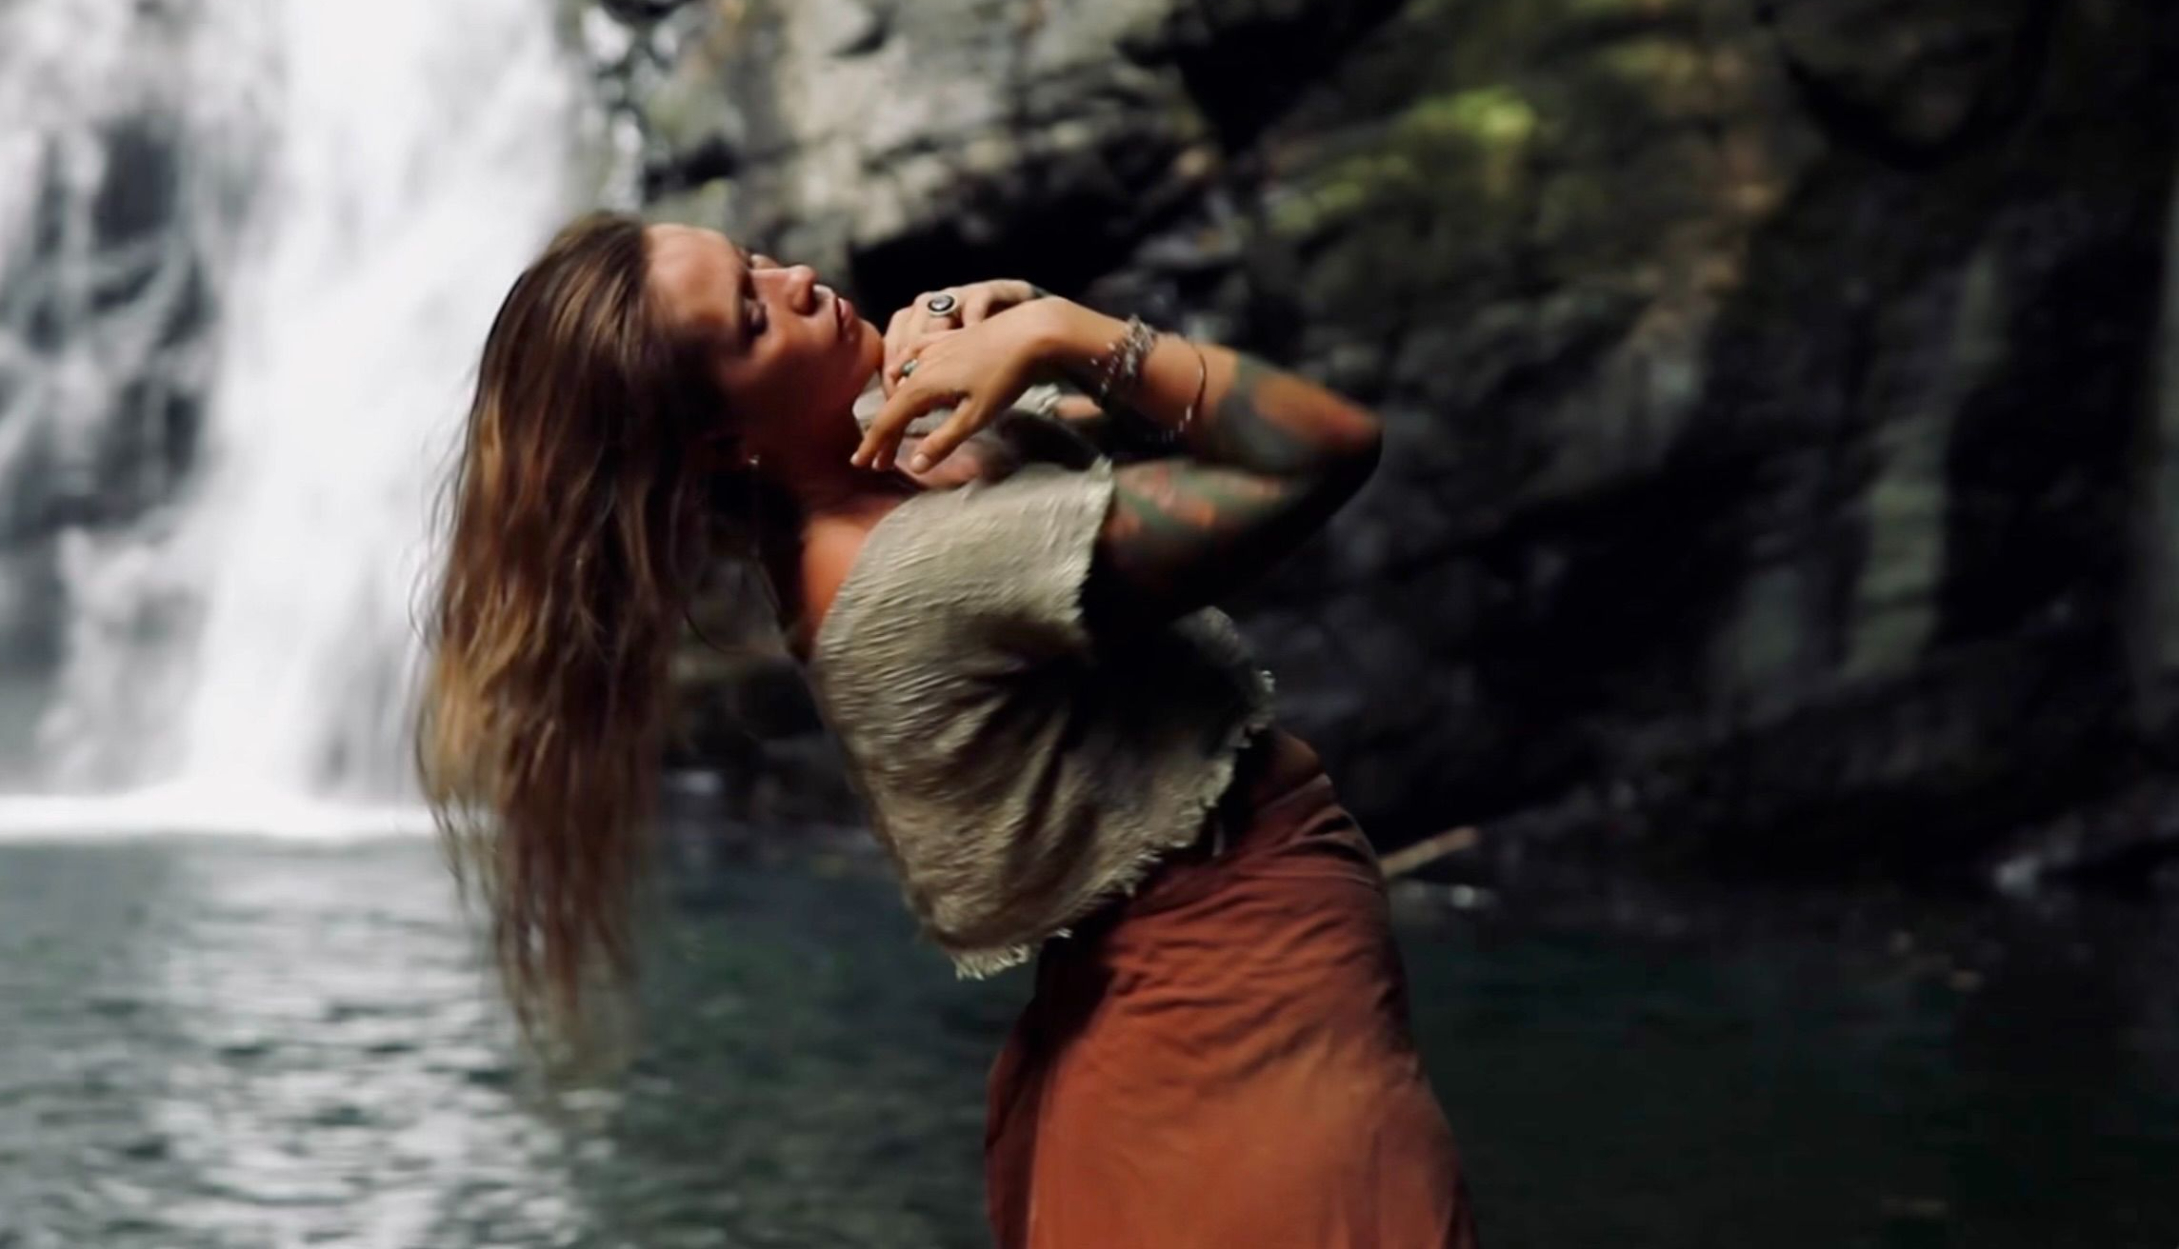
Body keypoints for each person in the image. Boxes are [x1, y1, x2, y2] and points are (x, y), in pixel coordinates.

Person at [417, 210, 1479, 1247]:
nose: (796, 281)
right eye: (752, 315)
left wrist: (1004, 328)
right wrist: (1067, 332)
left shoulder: (872, 466)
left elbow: (1101, 432)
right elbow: (1317, 448)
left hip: (1207, 999)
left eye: (756, 259)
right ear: (723, 441)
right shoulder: (923, 574)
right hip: (1229, 1017)